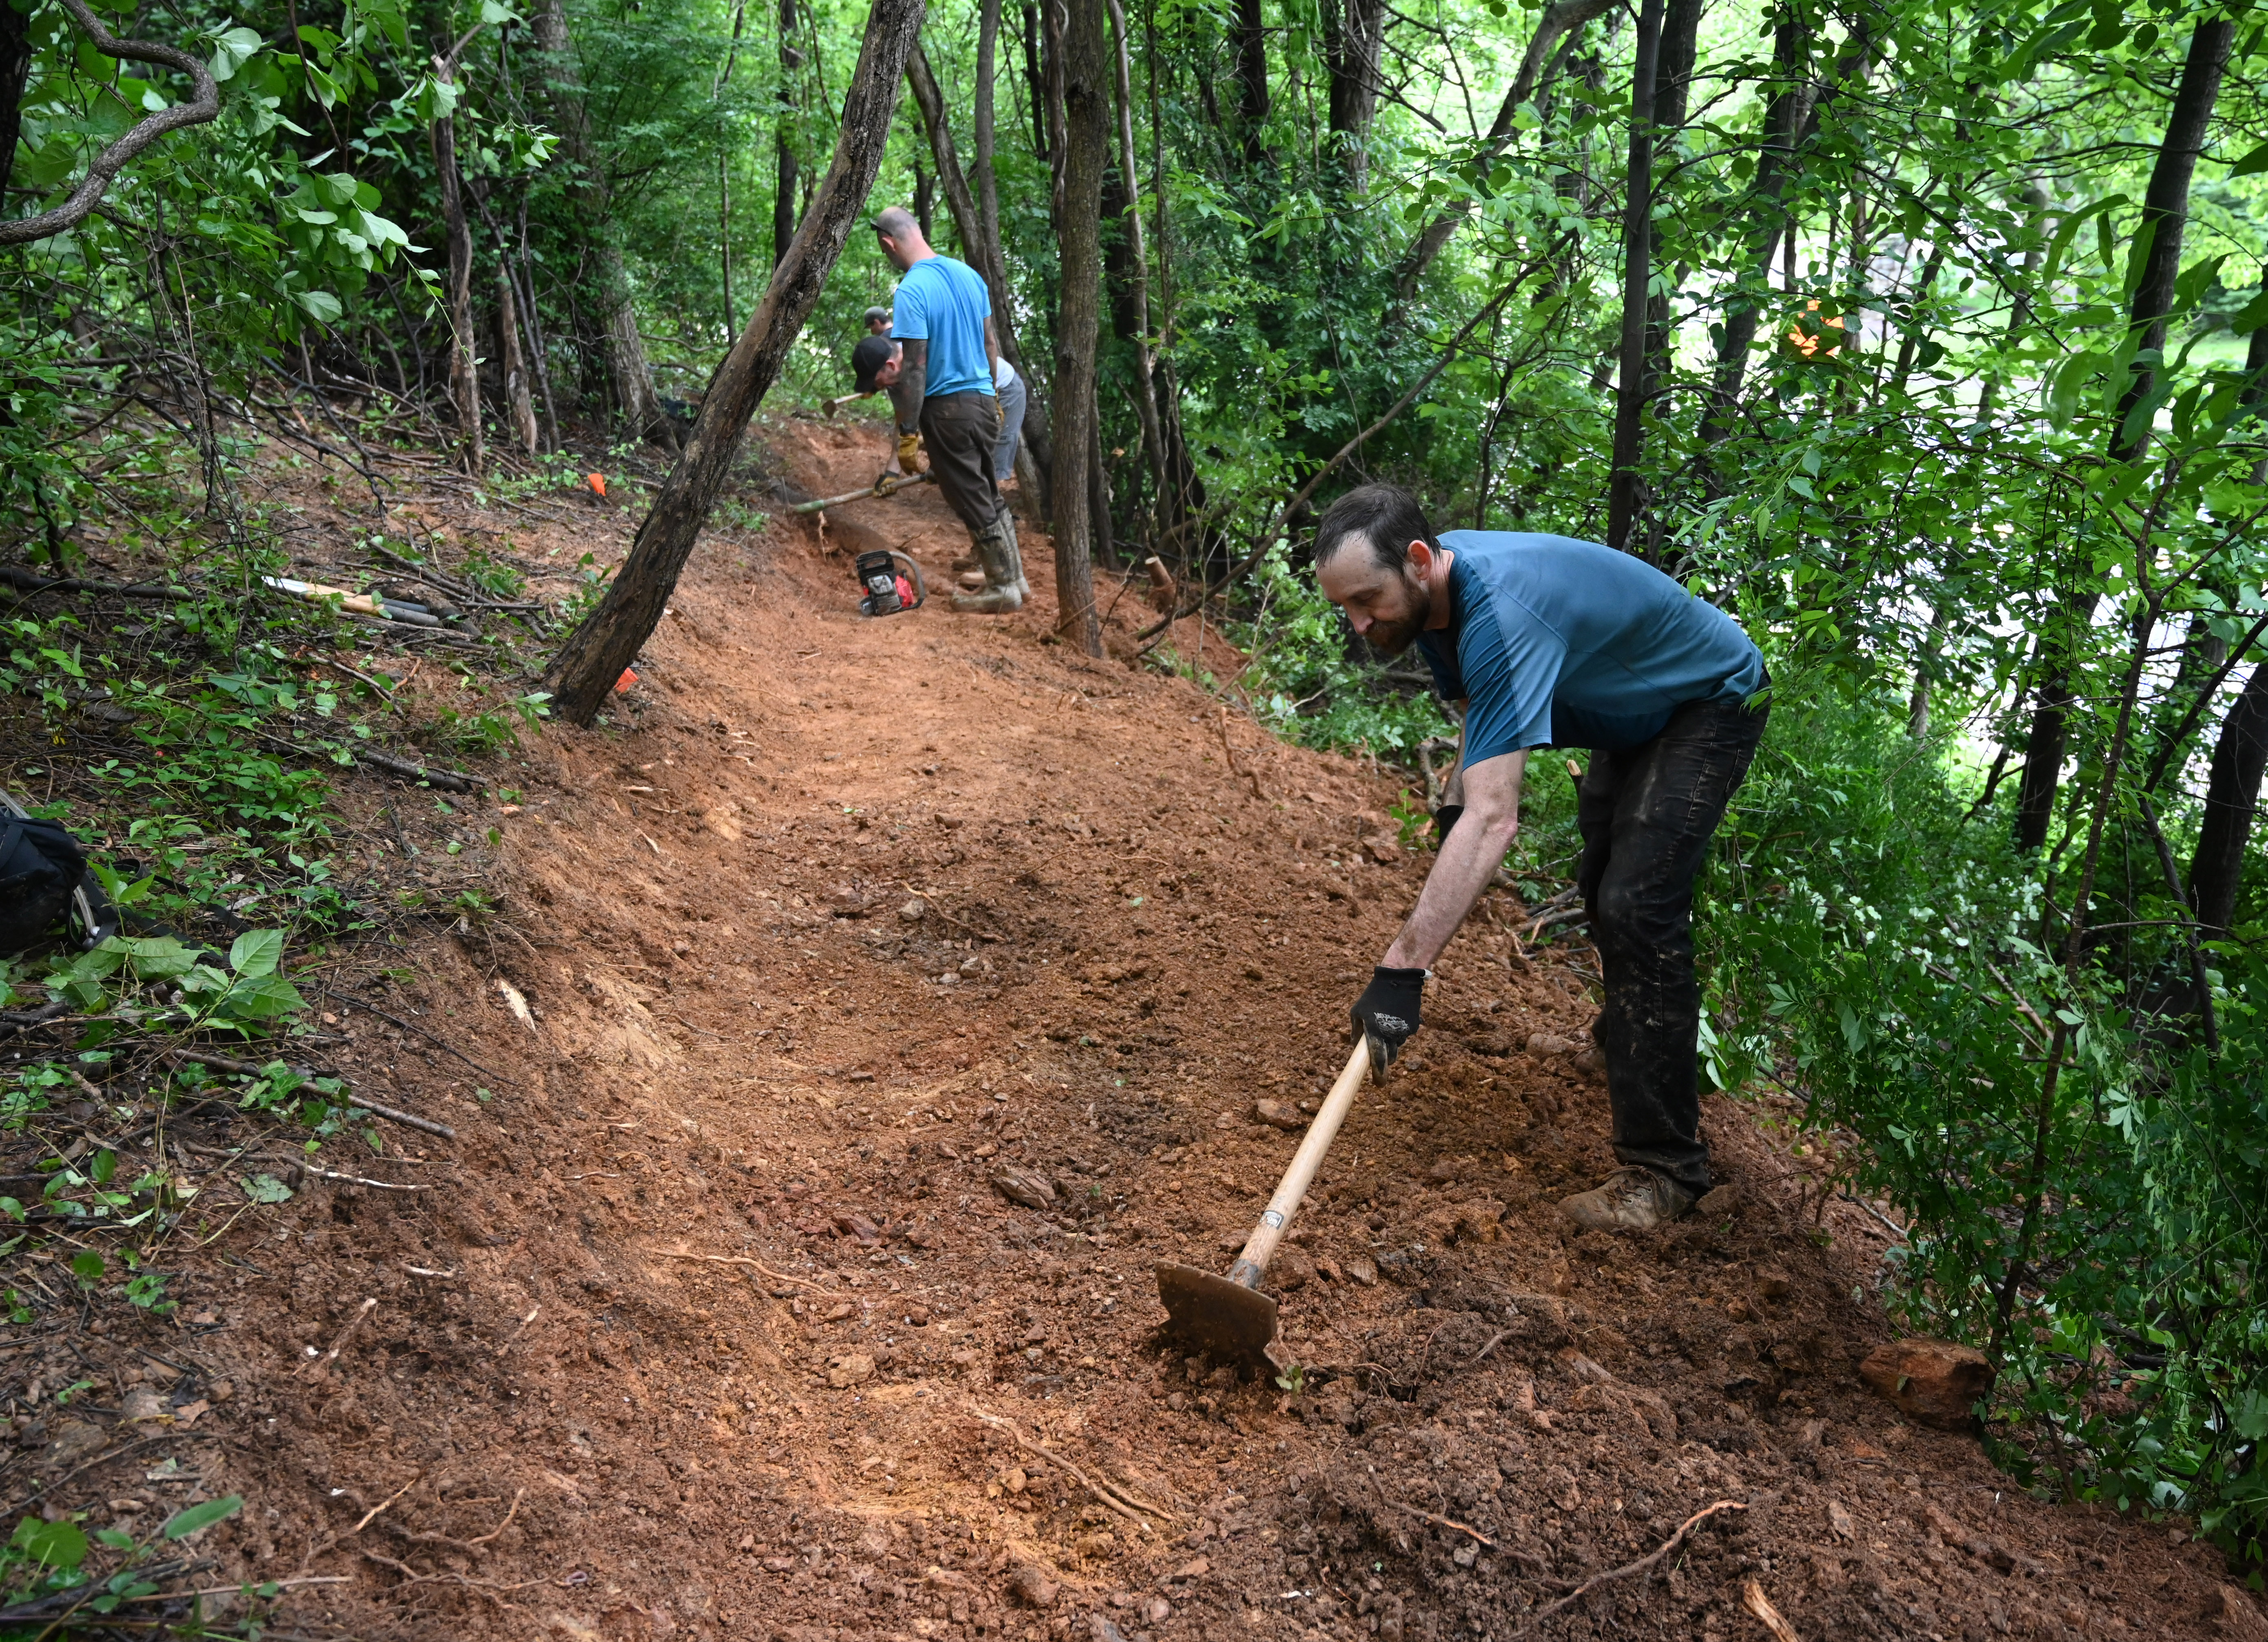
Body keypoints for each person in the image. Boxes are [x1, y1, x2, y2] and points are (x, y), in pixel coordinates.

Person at [1313, 484, 1769, 1232]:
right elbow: (1480, 718)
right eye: (1345, 608)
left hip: (1707, 698)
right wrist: (1453, 805)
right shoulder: (1432, 602)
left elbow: (1497, 817)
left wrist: (1400, 973)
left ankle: (1665, 1171)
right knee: (1600, 880)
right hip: (1634, 711)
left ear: (1419, 561)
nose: (1359, 623)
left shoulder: (1496, 610)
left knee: (1636, 902)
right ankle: (1617, 1041)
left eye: (1366, 600)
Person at [868, 206, 1026, 614]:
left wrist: (908, 429)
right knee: (988, 492)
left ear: (888, 243)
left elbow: (915, 369)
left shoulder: (911, 291)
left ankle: (1003, 587)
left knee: (971, 499)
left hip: (947, 409)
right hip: (982, 400)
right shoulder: (969, 276)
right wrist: (991, 396)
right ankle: (1017, 580)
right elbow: (991, 343)